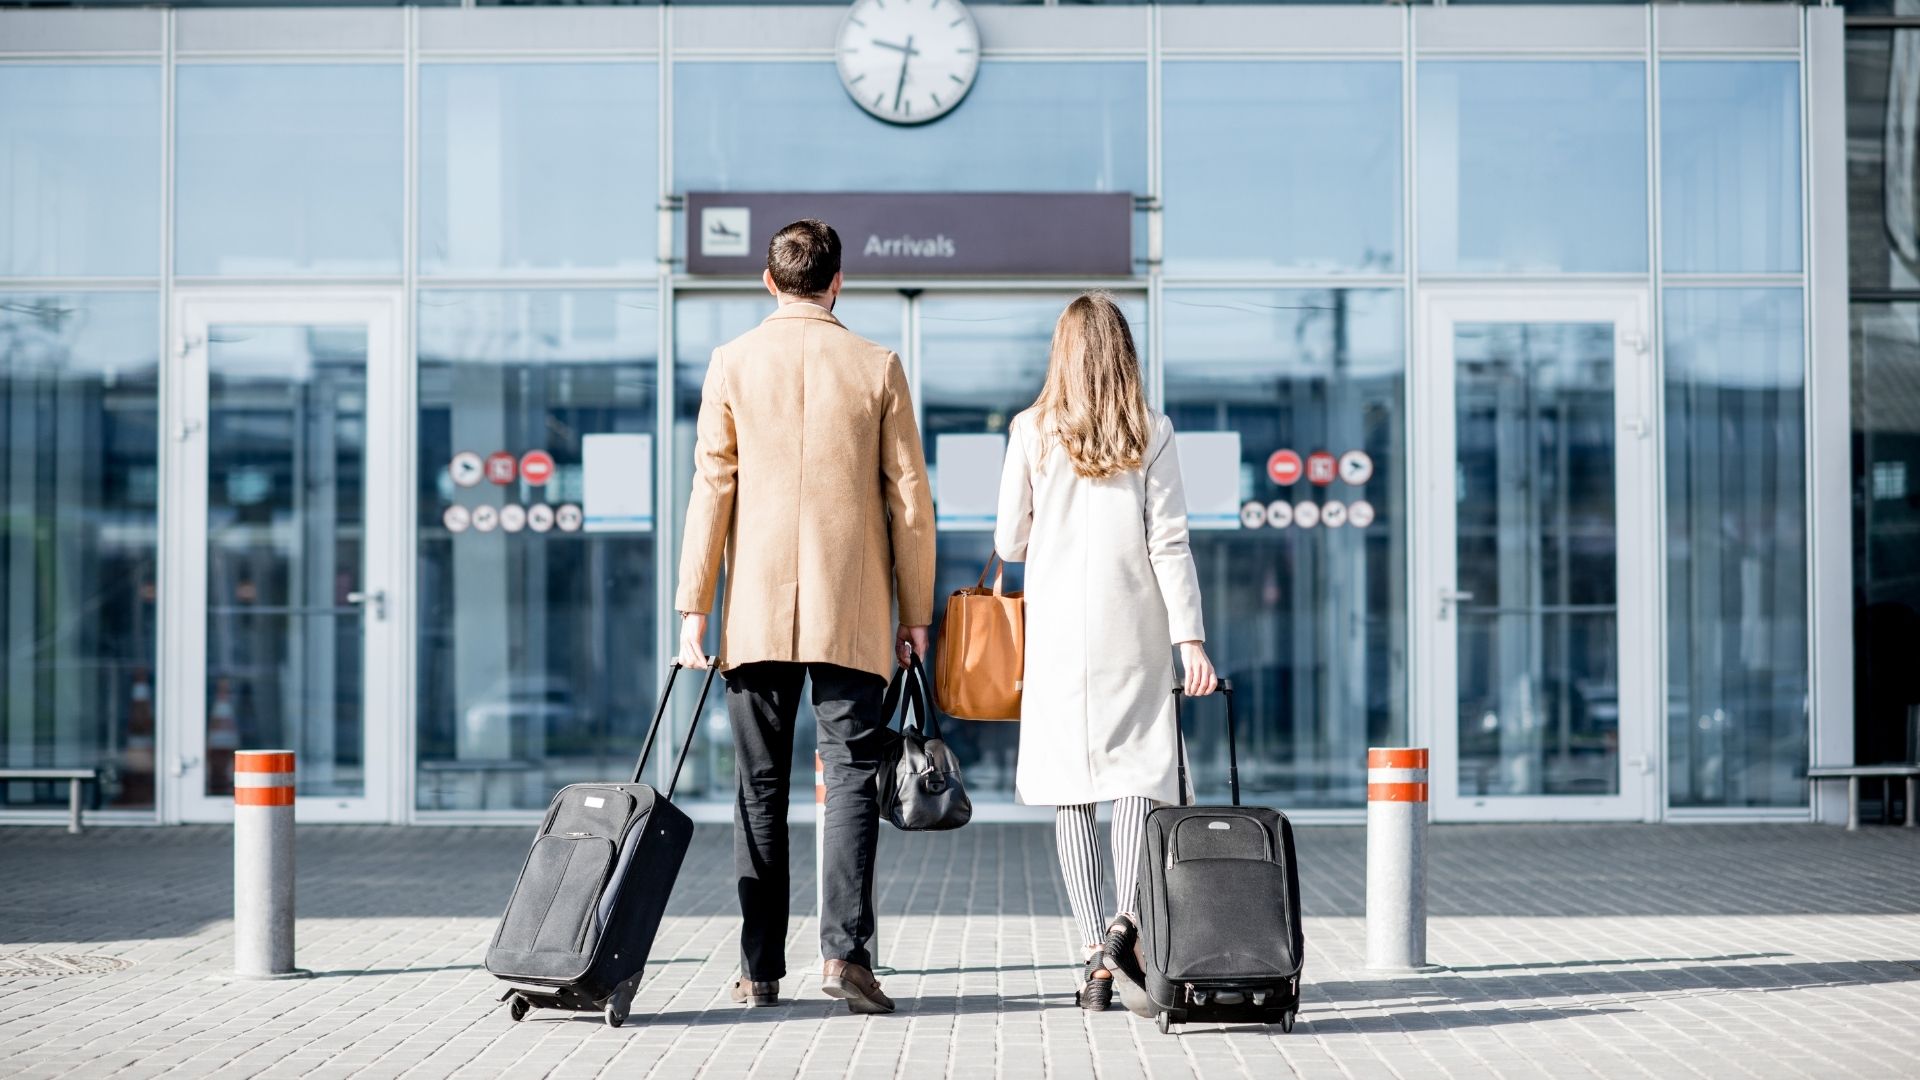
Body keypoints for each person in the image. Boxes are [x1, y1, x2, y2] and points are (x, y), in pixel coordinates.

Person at [676, 219, 935, 1015]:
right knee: (850, 777)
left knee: (759, 788)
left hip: (752, 612)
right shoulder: (875, 365)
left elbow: (711, 491)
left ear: (768, 281)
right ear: (838, 282)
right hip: (849, 610)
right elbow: (910, 503)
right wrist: (916, 612)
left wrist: (694, 607)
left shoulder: (732, 363)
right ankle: (845, 956)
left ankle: (759, 970)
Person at [993, 291, 1218, 1012]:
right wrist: (1192, 640)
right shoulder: (1150, 429)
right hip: (1136, 629)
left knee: (1073, 788)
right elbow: (1170, 542)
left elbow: (1009, 542)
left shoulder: (1031, 429)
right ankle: (1127, 925)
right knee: (1135, 780)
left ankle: (1095, 958)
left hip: (1060, 635)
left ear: (1061, 353)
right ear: (1123, 353)